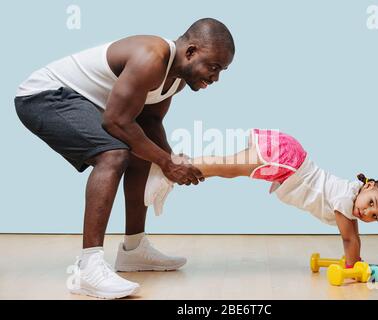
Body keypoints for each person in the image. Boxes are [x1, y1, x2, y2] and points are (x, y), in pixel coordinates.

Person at [14, 18, 235, 299]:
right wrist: (167, 164)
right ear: (191, 51)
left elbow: (150, 122)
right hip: (43, 95)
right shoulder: (152, 57)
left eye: (222, 71)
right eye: (213, 67)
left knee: (141, 153)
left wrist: (169, 160)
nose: (215, 78)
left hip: (81, 102)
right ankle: (89, 269)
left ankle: (134, 249)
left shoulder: (176, 79)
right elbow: (116, 122)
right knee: (114, 153)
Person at [146, 128, 378, 268]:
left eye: (375, 217)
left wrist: (357, 260)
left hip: (289, 161)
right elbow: (350, 237)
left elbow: (354, 231)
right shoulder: (346, 198)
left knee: (227, 171)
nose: (366, 213)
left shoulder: (350, 200)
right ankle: (170, 171)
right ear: (367, 185)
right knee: (226, 167)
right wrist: (354, 266)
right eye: (371, 203)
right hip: (289, 163)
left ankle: (175, 168)